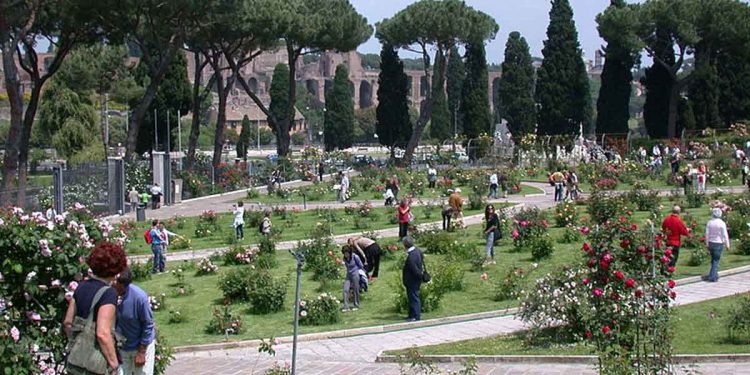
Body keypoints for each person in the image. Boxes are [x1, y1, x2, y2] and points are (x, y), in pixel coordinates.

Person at [63, 242, 127, 375]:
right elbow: (102, 333)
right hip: (96, 364)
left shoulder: (81, 286)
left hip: (76, 362)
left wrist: (79, 344)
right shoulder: (108, 293)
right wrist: (114, 365)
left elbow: (68, 323)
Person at [114, 268, 155, 375]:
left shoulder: (139, 298)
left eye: (115, 283)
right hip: (122, 348)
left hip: (140, 346)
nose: (112, 284)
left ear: (123, 285)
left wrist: (141, 352)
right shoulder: (112, 294)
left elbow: (148, 324)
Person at [703, 208, 730, 282]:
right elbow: (725, 234)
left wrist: (707, 243)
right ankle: (712, 277)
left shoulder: (710, 222)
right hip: (718, 243)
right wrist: (727, 244)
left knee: (713, 259)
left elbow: (707, 234)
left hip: (711, 242)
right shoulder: (722, 223)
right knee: (716, 260)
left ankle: (715, 274)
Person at [401, 236, 424, 322]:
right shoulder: (417, 251)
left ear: (405, 245)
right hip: (414, 280)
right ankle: (411, 315)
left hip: (412, 281)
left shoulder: (411, 256)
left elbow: (415, 270)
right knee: (411, 298)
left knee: (414, 298)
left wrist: (420, 277)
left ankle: (416, 316)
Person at [341, 246, 364, 312]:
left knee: (355, 289)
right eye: (345, 253)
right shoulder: (344, 258)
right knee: (345, 289)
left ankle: (356, 304)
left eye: (347, 253)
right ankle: (346, 306)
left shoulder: (355, 257)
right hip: (348, 275)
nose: (346, 255)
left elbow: (361, 265)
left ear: (350, 252)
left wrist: (362, 274)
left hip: (355, 273)